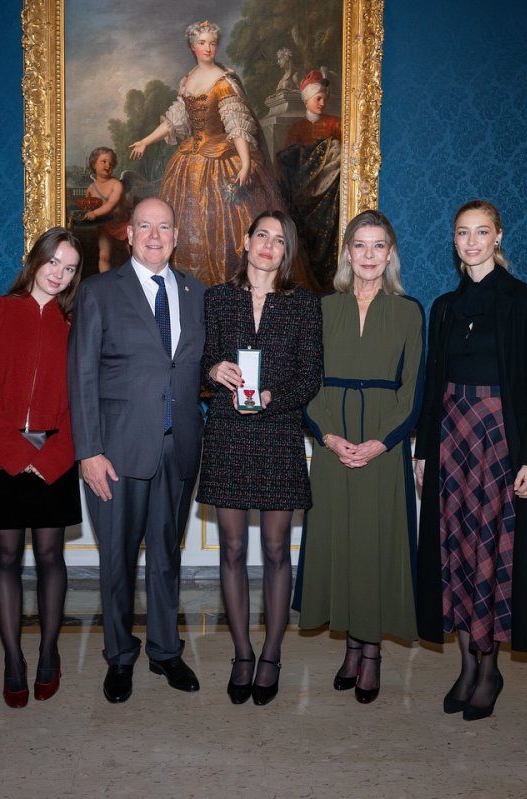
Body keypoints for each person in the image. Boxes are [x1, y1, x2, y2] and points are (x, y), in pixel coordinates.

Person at [413, 200, 527, 723]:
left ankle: (490, 669)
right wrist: (422, 449)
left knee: (491, 551)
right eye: (463, 232)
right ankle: (465, 665)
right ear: (454, 241)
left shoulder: (525, 301)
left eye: (482, 232)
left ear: (498, 236)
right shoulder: (444, 307)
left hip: (500, 442)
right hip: (450, 439)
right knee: (453, 549)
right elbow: (432, 384)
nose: (472, 241)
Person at [68, 197, 206, 703]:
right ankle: (120, 656)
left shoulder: (196, 292)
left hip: (179, 446)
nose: (154, 236)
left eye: (164, 227)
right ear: (128, 234)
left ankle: (166, 651)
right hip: (117, 453)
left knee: (167, 556)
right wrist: (89, 451)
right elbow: (81, 376)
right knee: (118, 561)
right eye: (144, 226)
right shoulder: (99, 291)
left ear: (176, 236)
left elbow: (198, 362)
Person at [293, 209, 425, 704]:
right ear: (347, 253)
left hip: (383, 448)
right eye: (360, 245)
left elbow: (414, 389)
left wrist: (381, 442)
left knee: (375, 546)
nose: (369, 255)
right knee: (341, 544)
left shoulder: (409, 311)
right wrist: (328, 437)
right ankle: (351, 647)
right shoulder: (322, 309)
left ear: (390, 254)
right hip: (333, 444)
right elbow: (307, 381)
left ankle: (371, 654)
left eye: (378, 245)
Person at [197, 210, 323, 706]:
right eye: (262, 236)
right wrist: (214, 370)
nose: (270, 245)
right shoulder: (217, 298)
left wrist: (274, 397)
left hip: (278, 432)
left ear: (287, 251)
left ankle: (271, 654)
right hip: (227, 434)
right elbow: (198, 363)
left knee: (275, 550)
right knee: (231, 549)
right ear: (246, 242)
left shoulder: (303, 305)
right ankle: (242, 654)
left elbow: (311, 374)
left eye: (280, 239)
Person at [0, 228, 83, 707]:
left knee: (52, 557)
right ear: (35, 260)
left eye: (69, 268)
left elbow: (83, 398)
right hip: (2, 455)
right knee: (7, 557)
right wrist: (14, 454)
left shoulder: (75, 324)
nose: (59, 274)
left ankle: (49, 653)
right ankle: (13, 659)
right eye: (53, 262)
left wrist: (52, 457)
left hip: (56, 456)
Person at [128, 20, 286, 287]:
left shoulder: (224, 82)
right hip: (188, 161)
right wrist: (145, 141)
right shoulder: (188, 80)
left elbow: (236, 125)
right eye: (202, 43)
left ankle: (229, 288)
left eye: (212, 43)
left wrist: (245, 163)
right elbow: (176, 120)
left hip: (221, 158)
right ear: (193, 47)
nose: (208, 48)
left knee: (228, 225)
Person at [277, 70, 343, 291]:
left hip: (330, 196)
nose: (322, 103)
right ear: (307, 100)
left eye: (324, 98)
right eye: (318, 98)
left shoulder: (336, 123)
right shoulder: (296, 128)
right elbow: (289, 162)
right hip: (304, 195)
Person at [80, 147, 129, 273]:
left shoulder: (116, 184)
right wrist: (86, 213)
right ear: (94, 165)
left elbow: (111, 204)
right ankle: (105, 281)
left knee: (133, 254)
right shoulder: (91, 188)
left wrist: (94, 213)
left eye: (111, 163)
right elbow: (88, 207)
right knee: (104, 256)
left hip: (123, 225)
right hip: (105, 226)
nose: (108, 165)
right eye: (104, 162)